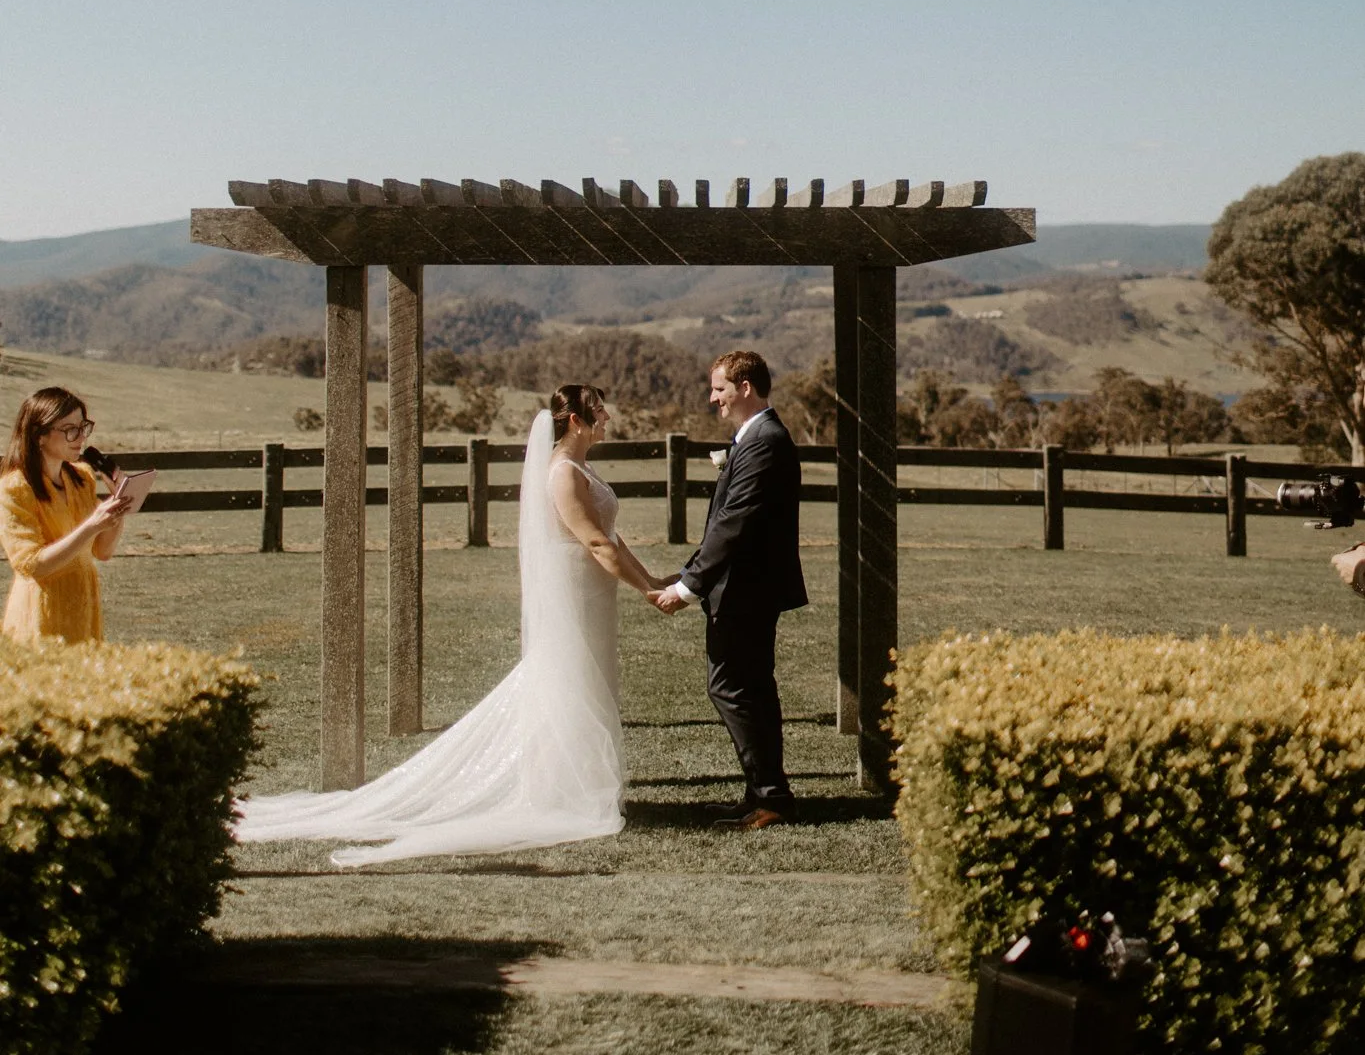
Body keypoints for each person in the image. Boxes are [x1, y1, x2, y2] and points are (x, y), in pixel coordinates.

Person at [236, 384, 669, 865]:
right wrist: (648, 592)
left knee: (587, 680)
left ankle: (576, 783)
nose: (608, 416)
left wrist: (650, 578)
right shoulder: (564, 473)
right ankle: (558, 790)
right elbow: (594, 543)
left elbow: (612, 536)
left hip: (594, 594)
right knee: (564, 680)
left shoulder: (585, 467)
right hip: (574, 591)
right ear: (576, 421)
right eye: (600, 410)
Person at [654, 350, 807, 830]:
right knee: (751, 689)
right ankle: (761, 794)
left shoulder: (763, 440)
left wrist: (687, 588)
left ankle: (770, 796)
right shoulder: (756, 437)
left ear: (745, 388)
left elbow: (733, 524)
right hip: (747, 589)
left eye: (719, 388)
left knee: (732, 688)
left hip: (747, 590)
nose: (712, 397)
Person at [0, 388, 133, 643]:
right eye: (70, 429)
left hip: (83, 610)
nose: (80, 437)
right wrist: (91, 526)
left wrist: (119, 505)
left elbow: (102, 552)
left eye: (83, 427)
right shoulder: (14, 489)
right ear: (39, 436)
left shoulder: (82, 478)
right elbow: (32, 566)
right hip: (40, 616)